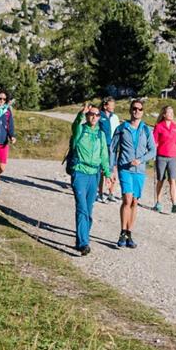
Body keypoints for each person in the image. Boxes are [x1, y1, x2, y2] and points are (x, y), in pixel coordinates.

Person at [65, 102, 110, 254]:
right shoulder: (80, 130)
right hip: (79, 172)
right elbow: (75, 125)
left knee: (89, 210)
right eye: (91, 114)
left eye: (97, 115)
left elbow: (104, 155)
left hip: (94, 174)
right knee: (82, 207)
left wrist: (108, 174)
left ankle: (80, 239)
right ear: (87, 115)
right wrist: (80, 114)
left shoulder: (101, 134)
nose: (94, 117)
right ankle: (84, 243)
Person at [111, 97, 154, 248]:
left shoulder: (146, 129)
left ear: (142, 112)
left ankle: (129, 233)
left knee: (135, 202)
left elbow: (152, 151)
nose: (136, 111)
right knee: (127, 200)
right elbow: (113, 149)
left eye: (139, 109)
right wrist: (111, 168)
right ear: (130, 110)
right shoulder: (122, 128)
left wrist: (141, 160)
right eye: (134, 108)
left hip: (140, 171)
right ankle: (122, 232)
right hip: (125, 169)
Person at [152, 104, 176, 213]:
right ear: (164, 114)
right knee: (160, 180)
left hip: (173, 157)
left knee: (172, 180)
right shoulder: (159, 126)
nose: (171, 114)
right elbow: (154, 142)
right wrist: (152, 153)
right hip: (161, 156)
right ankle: (158, 202)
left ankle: (174, 203)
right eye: (169, 112)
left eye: (172, 112)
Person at [96, 97, 120, 201]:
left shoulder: (115, 117)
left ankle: (111, 193)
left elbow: (118, 131)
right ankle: (100, 193)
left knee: (113, 169)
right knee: (102, 170)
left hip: (113, 146)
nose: (113, 106)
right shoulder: (99, 116)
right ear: (106, 106)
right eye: (111, 104)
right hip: (102, 145)